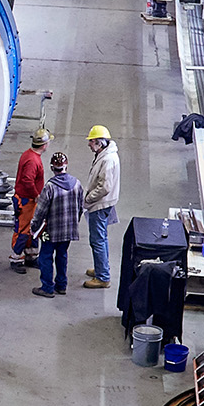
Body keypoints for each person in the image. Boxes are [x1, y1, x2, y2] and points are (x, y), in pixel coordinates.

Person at [28, 148, 83, 298]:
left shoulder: (50, 187)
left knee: (45, 257)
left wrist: (33, 227)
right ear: (66, 166)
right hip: (68, 232)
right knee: (62, 255)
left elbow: (41, 211)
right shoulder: (77, 184)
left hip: (50, 232)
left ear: (52, 168)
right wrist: (74, 224)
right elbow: (80, 208)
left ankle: (47, 287)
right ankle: (61, 285)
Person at [82, 123, 120, 289]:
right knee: (101, 239)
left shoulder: (108, 160)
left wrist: (89, 199)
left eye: (92, 141)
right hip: (103, 203)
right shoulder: (105, 154)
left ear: (100, 142)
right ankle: (101, 269)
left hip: (100, 205)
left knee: (97, 240)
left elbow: (105, 187)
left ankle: (103, 277)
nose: (89, 144)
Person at [9, 129, 48, 272]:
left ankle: (31, 255)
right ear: (44, 145)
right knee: (23, 230)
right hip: (26, 201)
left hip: (29, 200)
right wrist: (36, 195)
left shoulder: (30, 155)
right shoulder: (32, 160)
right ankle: (16, 258)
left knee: (33, 229)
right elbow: (27, 180)